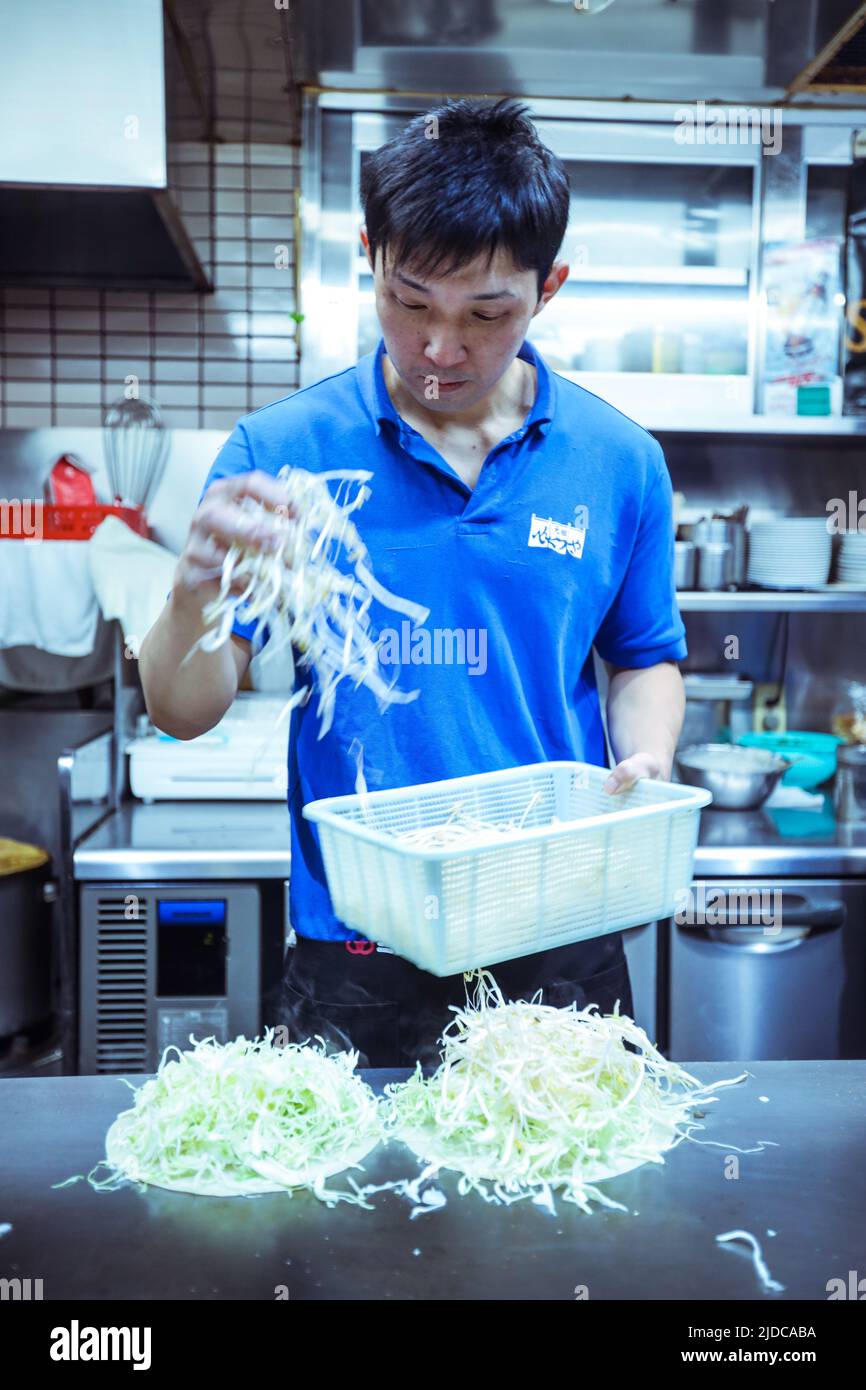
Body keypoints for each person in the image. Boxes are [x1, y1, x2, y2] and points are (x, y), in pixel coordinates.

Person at [139, 98, 686, 1068]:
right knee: (357, 1213)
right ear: (370, 257)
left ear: (546, 288)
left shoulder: (618, 460)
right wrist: (191, 596)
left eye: (486, 315)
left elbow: (641, 657)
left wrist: (645, 759)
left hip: (556, 921)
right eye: (408, 302)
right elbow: (184, 712)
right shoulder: (285, 454)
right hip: (362, 938)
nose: (439, 350)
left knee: (579, 1204)